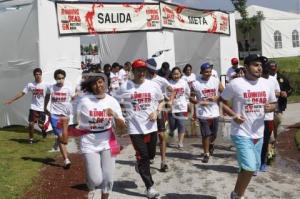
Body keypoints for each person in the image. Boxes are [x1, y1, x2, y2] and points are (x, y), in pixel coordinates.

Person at [220, 54, 277, 199]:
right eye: (255, 65)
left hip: (258, 133)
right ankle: (239, 196)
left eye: (260, 65)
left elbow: (273, 103)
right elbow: (221, 101)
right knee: (250, 167)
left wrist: (271, 107)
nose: (259, 68)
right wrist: (234, 115)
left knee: (251, 168)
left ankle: (236, 194)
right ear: (246, 67)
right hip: (241, 132)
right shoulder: (236, 83)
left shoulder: (266, 84)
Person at [115, 59, 163, 198]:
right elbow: (114, 102)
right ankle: (150, 187)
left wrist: (157, 112)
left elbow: (161, 101)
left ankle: (140, 165)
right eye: (138, 70)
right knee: (144, 157)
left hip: (151, 126)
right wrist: (121, 117)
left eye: (143, 70)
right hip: (135, 128)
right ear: (133, 72)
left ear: (146, 71)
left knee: (151, 155)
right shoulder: (125, 87)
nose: (141, 73)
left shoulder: (153, 85)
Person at [77, 73, 126, 199]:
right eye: (94, 83)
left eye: (100, 82)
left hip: (108, 141)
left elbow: (122, 129)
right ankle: (90, 182)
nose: (98, 85)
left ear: (105, 83)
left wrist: (114, 114)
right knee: (96, 179)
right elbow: (76, 122)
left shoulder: (112, 101)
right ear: (90, 86)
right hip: (89, 142)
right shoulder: (84, 101)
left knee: (108, 178)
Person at [190, 62, 224, 163]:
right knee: (206, 135)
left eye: (209, 72)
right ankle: (206, 154)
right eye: (206, 72)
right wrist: (199, 102)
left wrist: (216, 97)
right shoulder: (195, 83)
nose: (208, 73)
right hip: (203, 113)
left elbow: (224, 92)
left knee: (214, 134)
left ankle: (211, 144)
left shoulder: (216, 80)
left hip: (215, 112)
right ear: (201, 72)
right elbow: (190, 97)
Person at [146, 58, 175, 172]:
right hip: (146, 112)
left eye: (152, 70)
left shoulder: (161, 80)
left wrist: (171, 101)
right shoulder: (142, 80)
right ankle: (150, 156)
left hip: (159, 111)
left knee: (162, 136)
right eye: (149, 69)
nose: (150, 72)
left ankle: (163, 162)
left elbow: (172, 90)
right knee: (149, 137)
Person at [4, 68, 48, 143]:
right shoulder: (30, 84)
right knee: (31, 124)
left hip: (41, 109)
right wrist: (11, 100)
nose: (38, 76)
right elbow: (22, 93)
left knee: (40, 125)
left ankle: (43, 130)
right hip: (33, 107)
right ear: (34, 75)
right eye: (36, 74)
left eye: (39, 74)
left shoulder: (46, 85)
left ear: (41, 75)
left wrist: (46, 106)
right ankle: (31, 139)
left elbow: (50, 94)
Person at [44, 69, 75, 169]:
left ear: (64, 78)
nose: (60, 80)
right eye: (58, 78)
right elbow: (47, 97)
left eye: (62, 78)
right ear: (55, 79)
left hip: (65, 116)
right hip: (54, 116)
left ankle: (58, 142)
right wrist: (45, 108)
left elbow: (74, 99)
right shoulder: (51, 88)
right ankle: (66, 160)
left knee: (64, 139)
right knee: (61, 137)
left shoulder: (69, 88)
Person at [260, 62, 280, 171]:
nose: (267, 72)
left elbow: (276, 96)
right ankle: (256, 162)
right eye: (265, 69)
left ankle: (264, 160)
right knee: (257, 140)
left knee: (268, 140)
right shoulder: (256, 81)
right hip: (256, 117)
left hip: (268, 117)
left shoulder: (272, 80)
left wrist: (271, 105)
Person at [269, 61, 293, 144]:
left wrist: (286, 93)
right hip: (268, 104)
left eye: (274, 68)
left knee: (278, 121)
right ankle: (271, 140)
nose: (273, 69)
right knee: (269, 122)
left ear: (276, 68)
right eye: (271, 68)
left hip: (279, 104)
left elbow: (290, 89)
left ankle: (274, 137)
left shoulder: (282, 78)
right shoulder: (264, 78)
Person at [168, 67, 190, 149]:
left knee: (181, 124)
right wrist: (169, 101)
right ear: (172, 75)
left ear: (180, 74)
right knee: (172, 126)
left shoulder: (184, 82)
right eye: (174, 74)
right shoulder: (169, 83)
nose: (176, 75)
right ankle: (171, 139)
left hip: (182, 107)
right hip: (172, 108)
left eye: (177, 74)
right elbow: (165, 94)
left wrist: (187, 102)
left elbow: (188, 93)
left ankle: (180, 142)